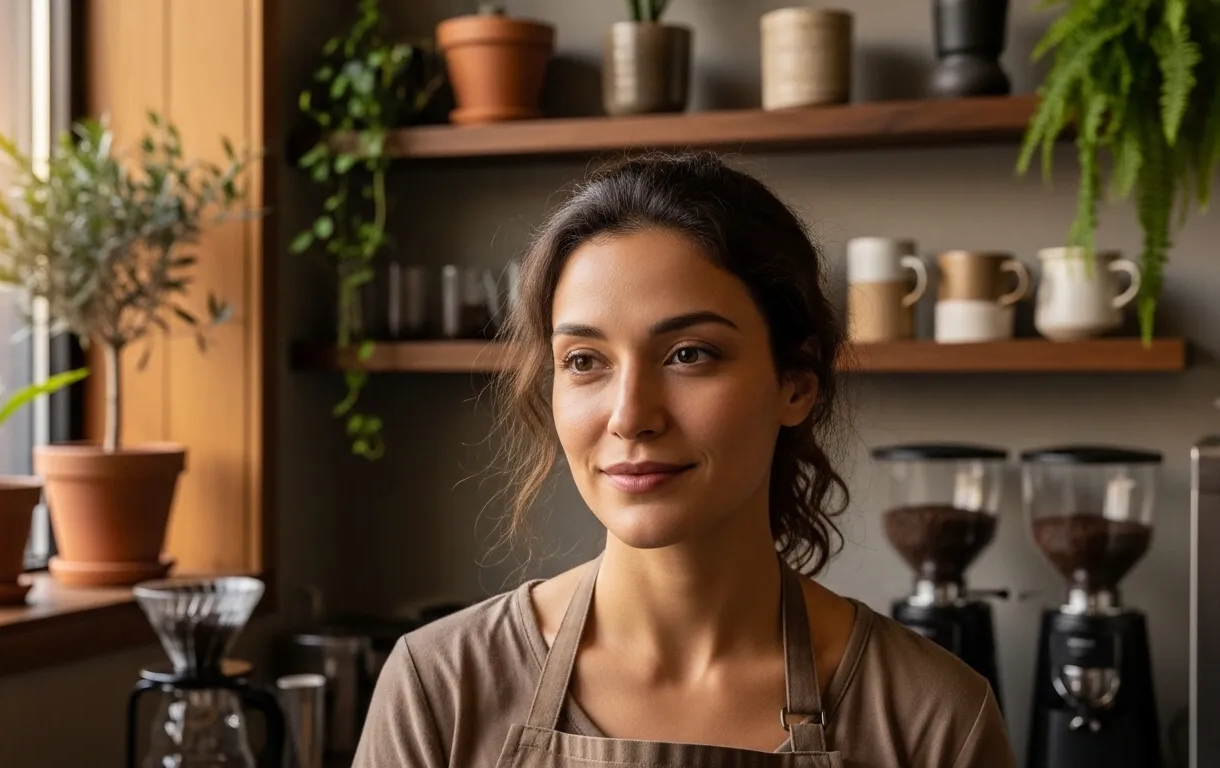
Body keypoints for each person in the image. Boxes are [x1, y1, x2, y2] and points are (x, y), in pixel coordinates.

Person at [352, 151, 1014, 767]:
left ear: (796, 384)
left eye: (689, 354)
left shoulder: (933, 720)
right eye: (584, 361)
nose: (631, 415)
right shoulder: (439, 687)